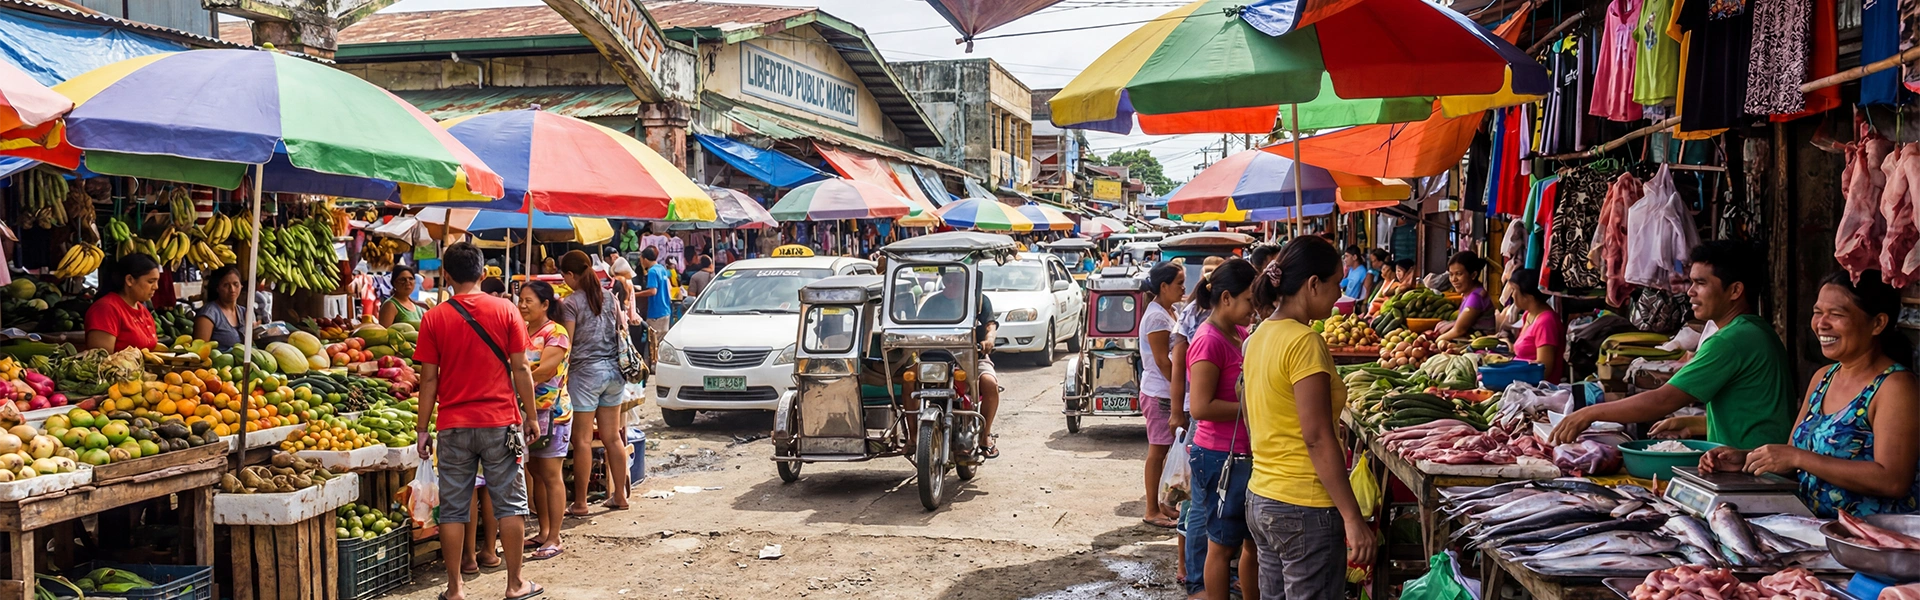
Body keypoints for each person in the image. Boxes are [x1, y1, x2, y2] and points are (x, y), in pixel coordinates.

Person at [1700, 270, 1920, 517]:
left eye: (1836, 314)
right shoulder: (1824, 377)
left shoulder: (1895, 385)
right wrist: (1747, 459)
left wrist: (1797, 457)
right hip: (1814, 530)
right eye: (1817, 312)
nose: (1821, 324)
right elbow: (1794, 459)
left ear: (1877, 323)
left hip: (1874, 540)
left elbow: (1893, 480)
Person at [1550, 240, 1795, 448]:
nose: (1690, 292)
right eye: (1691, 283)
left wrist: (1588, 413)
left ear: (1735, 291)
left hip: (1756, 471)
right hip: (1751, 460)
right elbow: (1750, 414)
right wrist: (1693, 423)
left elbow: (1662, 401)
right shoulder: (1755, 330)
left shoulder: (1731, 340)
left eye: (1701, 283)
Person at [1242, 236, 1375, 600]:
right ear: (1313, 284)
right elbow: (1316, 437)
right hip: (1304, 504)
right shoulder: (1304, 342)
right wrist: (1352, 516)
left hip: (1263, 497)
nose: (1339, 295)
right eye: (1335, 284)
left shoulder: (1257, 336)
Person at [411, 242, 542, 600]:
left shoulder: (434, 317)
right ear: (484, 274)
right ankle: (514, 584)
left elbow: (428, 379)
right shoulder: (506, 310)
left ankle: (455, 589)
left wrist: (422, 429)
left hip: (453, 425)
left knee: (453, 509)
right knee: (510, 504)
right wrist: (531, 415)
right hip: (500, 422)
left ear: (447, 276)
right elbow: (521, 367)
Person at [1184, 259, 1261, 600]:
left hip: (1242, 453)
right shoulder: (1209, 340)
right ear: (1227, 298)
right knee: (1221, 546)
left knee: (1251, 543)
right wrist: (1252, 409)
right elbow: (1200, 407)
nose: (1254, 308)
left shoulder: (1240, 334)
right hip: (1220, 456)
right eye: (1249, 300)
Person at [559, 250, 632, 514]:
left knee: (582, 441)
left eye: (564, 275)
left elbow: (566, 343)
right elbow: (621, 332)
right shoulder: (611, 298)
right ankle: (620, 496)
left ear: (570, 274)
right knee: (613, 438)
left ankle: (580, 503)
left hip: (585, 376)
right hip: (614, 373)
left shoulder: (571, 303)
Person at [913, 269, 1003, 458]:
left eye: (958, 280)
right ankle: (913, 439)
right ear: (944, 280)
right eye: (949, 280)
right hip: (937, 359)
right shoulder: (932, 302)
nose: (953, 284)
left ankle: (985, 436)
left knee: (989, 383)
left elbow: (990, 325)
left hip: (972, 356)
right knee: (909, 381)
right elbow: (917, 328)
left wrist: (989, 340)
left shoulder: (979, 301)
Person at [517, 281, 571, 559]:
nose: (523, 305)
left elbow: (545, 370)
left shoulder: (556, 333)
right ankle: (543, 530)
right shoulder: (522, 331)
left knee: (551, 475)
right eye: (521, 300)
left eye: (529, 301)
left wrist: (515, 378)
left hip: (552, 414)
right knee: (536, 472)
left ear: (545, 304)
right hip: (526, 414)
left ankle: (555, 537)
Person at [1139, 263, 1185, 529]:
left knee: (1167, 451)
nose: (1183, 287)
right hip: (1159, 393)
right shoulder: (1157, 317)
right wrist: (1184, 390)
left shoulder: (1170, 311)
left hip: (1165, 391)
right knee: (1157, 452)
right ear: (1163, 286)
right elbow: (1162, 362)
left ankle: (1164, 504)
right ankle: (1151, 509)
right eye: (1178, 283)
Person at [86, 254, 161, 352]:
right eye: (151, 281)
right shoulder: (106, 309)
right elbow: (101, 360)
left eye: (157, 282)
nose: (156, 287)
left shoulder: (143, 310)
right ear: (129, 280)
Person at [1507, 268, 1566, 383]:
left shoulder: (1546, 322)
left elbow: (1544, 369)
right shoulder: (1528, 315)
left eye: (1514, 290)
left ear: (1529, 296)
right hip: (1520, 381)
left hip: (1536, 388)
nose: (1512, 295)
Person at [1435, 251, 1493, 342]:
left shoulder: (1476, 298)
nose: (1454, 279)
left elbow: (1459, 330)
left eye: (1459, 274)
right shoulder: (1470, 294)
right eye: (1451, 274)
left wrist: (1435, 341)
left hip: (1480, 347)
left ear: (1473, 275)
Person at [192, 266, 249, 348]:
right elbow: (200, 350)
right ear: (217, 288)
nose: (232, 289)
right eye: (226, 285)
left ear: (241, 286)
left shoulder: (244, 312)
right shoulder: (209, 314)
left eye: (236, 284)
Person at [636, 247, 672, 365]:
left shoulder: (652, 271)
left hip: (656, 312)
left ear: (645, 259)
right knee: (660, 342)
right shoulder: (661, 268)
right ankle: (659, 365)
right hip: (665, 310)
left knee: (652, 341)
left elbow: (652, 291)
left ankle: (652, 366)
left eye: (641, 258)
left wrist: (635, 295)